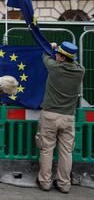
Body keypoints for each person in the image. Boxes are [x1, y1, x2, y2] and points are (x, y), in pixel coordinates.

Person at [36, 42, 85, 193]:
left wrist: (52, 47)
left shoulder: (54, 67)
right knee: (66, 152)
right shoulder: (80, 71)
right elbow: (73, 61)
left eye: (58, 54)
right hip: (68, 117)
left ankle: (45, 183)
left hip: (50, 115)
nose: (55, 55)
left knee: (46, 149)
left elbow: (45, 55)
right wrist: (65, 53)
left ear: (62, 58)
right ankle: (64, 185)